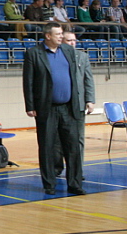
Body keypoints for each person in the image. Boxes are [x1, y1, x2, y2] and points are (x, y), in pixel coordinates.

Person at [23, 22, 88, 195]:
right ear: (48, 36)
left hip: (69, 107)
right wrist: (30, 105)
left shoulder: (68, 51)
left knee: (73, 147)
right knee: (47, 147)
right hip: (46, 108)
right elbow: (28, 81)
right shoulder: (34, 53)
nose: (61, 36)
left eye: (61, 33)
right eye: (58, 34)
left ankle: (74, 184)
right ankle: (49, 184)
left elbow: (75, 77)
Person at [61, 29, 95, 167]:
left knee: (78, 138)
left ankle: (77, 168)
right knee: (59, 139)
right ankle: (58, 166)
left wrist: (90, 100)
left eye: (74, 40)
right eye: (69, 40)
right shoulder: (56, 57)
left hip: (78, 104)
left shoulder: (82, 56)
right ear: (62, 42)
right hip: (61, 104)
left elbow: (88, 79)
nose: (72, 43)